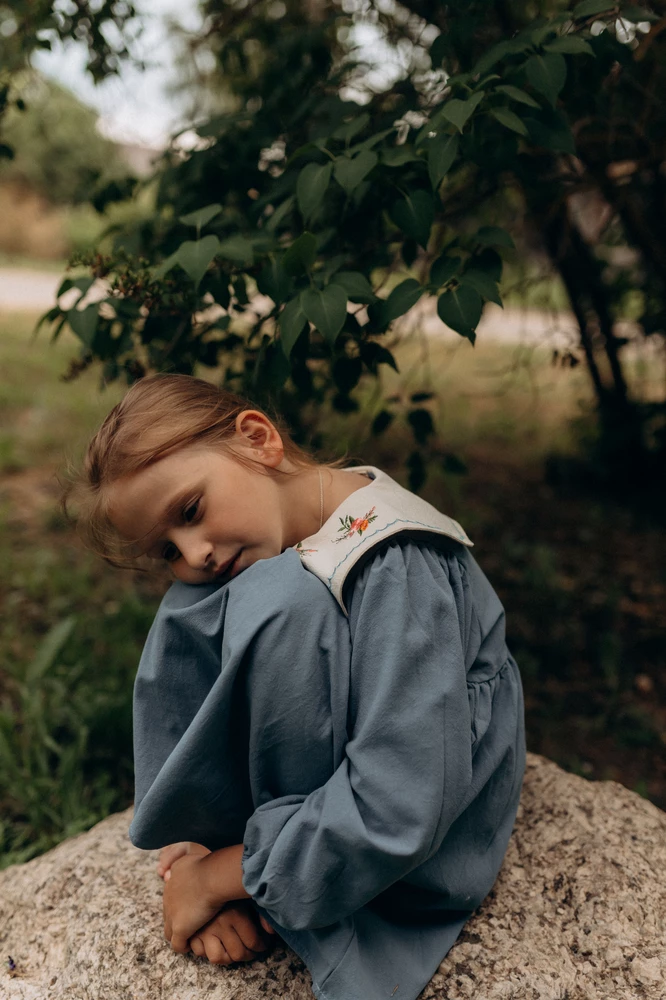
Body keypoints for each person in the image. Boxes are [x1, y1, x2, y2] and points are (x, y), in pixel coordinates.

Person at [67, 373, 526, 1000]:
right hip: (344, 769)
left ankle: (262, 870)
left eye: (190, 511)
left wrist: (217, 879)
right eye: (164, 549)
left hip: (415, 812)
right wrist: (197, 839)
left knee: (277, 605)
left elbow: (402, 801)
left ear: (258, 440)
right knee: (197, 604)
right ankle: (225, 838)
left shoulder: (397, 568)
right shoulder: (283, 526)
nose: (193, 550)